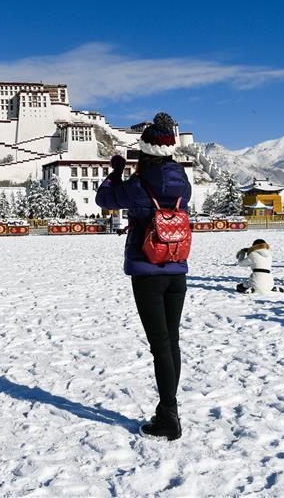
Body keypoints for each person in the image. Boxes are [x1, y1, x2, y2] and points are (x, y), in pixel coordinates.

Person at [95, 112, 192, 441]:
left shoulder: (138, 185)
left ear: (146, 152)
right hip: (176, 267)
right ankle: (169, 410)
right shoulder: (183, 182)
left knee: (159, 346)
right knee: (172, 342)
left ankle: (168, 416)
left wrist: (116, 172)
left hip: (147, 269)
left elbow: (104, 199)